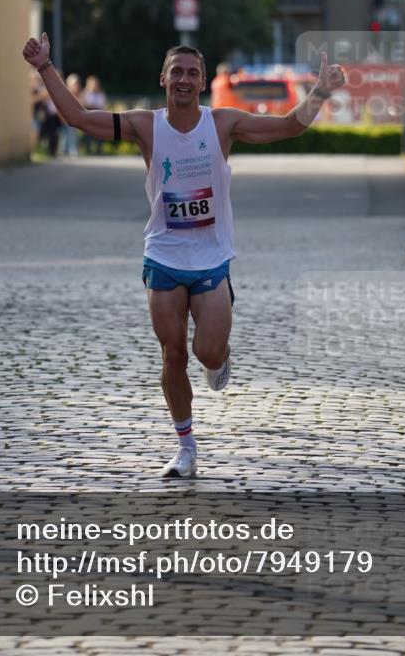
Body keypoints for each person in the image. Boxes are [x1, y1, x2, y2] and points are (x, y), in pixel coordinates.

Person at [23, 33, 346, 477]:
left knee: (207, 352)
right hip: (164, 255)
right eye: (177, 71)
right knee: (172, 354)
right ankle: (186, 445)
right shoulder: (144, 125)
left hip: (211, 258)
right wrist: (44, 67)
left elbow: (289, 125)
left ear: (203, 82)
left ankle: (220, 358)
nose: (184, 80)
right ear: (163, 79)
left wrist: (321, 91)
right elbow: (77, 117)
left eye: (193, 73)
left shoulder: (222, 125)